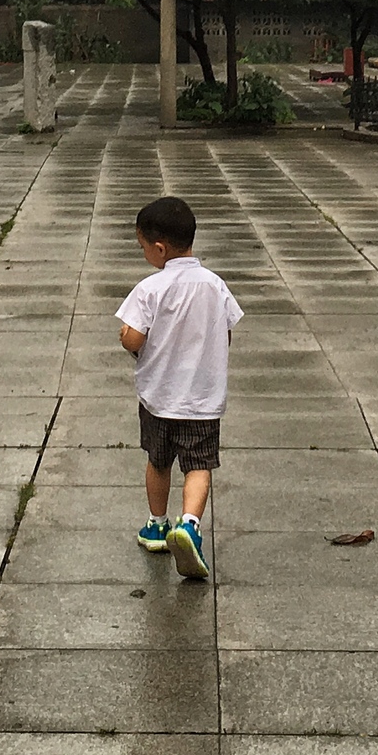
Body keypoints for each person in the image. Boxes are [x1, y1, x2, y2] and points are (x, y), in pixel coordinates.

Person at [116, 196, 242, 581]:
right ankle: (189, 524)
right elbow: (228, 332)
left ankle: (157, 525)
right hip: (202, 400)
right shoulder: (214, 285)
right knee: (198, 465)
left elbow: (133, 339)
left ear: (159, 248)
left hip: (159, 398)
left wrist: (125, 334)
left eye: (142, 248)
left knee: (158, 461)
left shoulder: (151, 288)